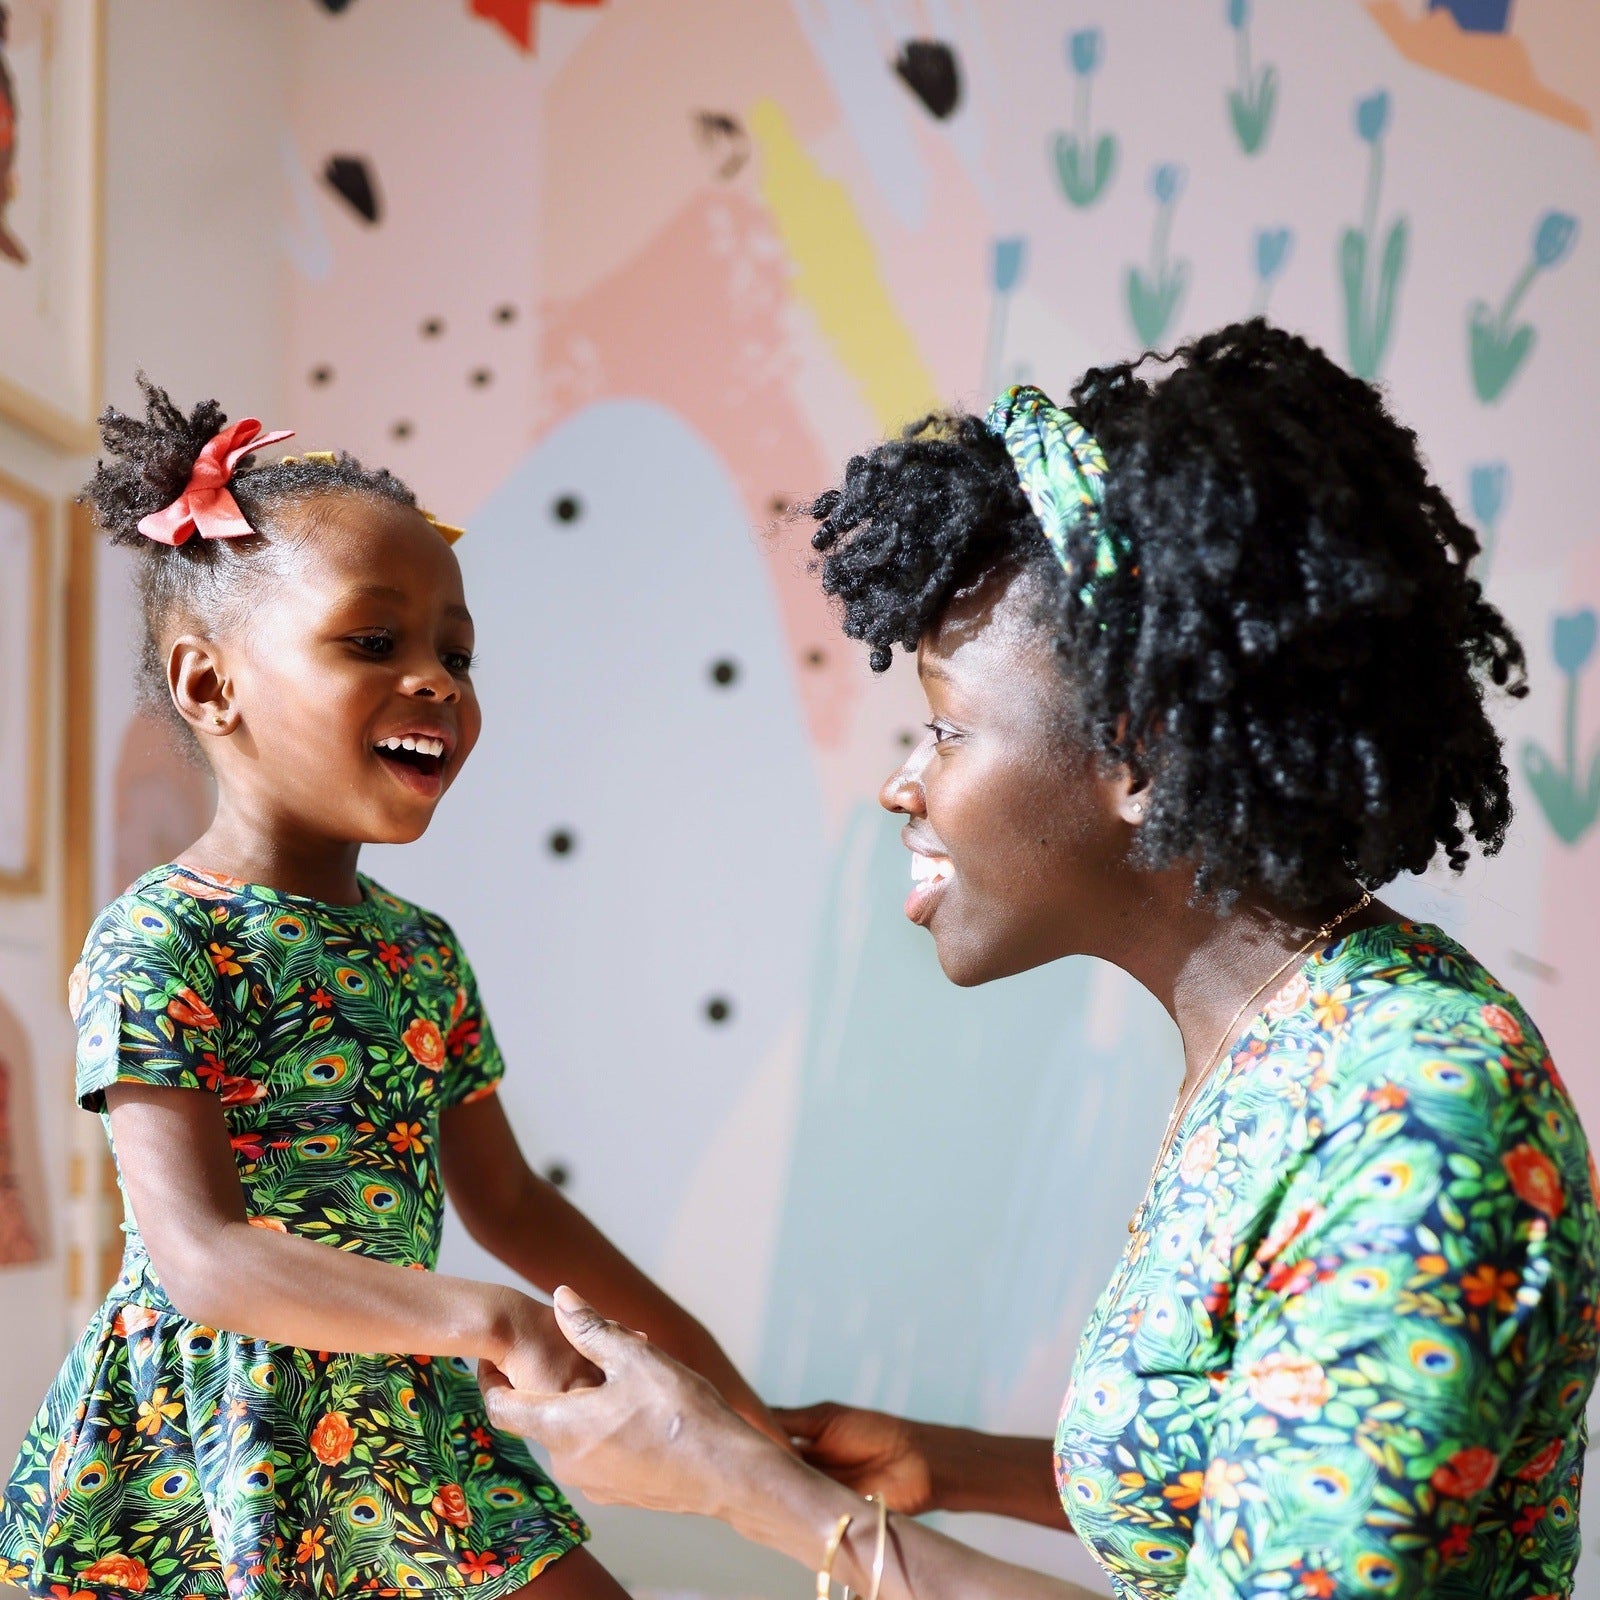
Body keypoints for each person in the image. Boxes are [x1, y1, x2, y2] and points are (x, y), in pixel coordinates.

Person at [482, 323, 1600, 1599]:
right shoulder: (1285, 1041)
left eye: (946, 729)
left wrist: (752, 1494)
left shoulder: (1414, 1108)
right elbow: (1258, 1476)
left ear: (1138, 756)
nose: (904, 784)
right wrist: (945, 1466)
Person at [0, 379, 779, 1600]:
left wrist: (729, 1390)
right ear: (210, 687)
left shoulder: (421, 950)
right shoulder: (159, 936)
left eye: (454, 653)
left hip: (402, 1418)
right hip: (203, 1454)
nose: (437, 682)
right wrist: (483, 1319)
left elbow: (516, 1202)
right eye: (375, 643)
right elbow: (201, 1255)